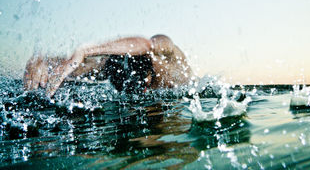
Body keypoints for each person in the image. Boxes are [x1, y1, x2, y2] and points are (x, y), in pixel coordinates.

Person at [23, 34, 193, 97]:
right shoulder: (112, 65)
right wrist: (41, 62)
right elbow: (69, 68)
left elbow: (148, 44)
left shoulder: (170, 59)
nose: (140, 90)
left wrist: (86, 50)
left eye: (143, 82)